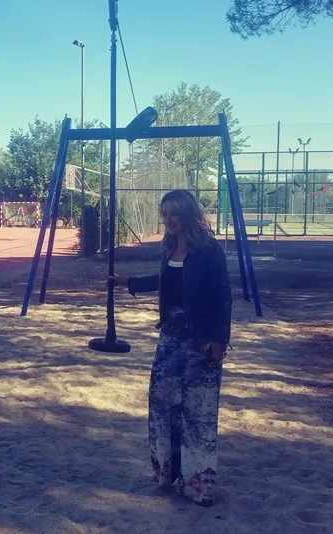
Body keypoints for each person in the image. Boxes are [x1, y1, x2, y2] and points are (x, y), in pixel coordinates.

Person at [109, 189, 233, 507]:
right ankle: (168, 472)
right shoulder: (169, 248)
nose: (168, 220)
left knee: (198, 414)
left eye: (174, 213)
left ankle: (198, 484)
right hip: (170, 341)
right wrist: (129, 283)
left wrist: (219, 339)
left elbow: (223, 296)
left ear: (189, 214)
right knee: (163, 407)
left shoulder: (208, 250)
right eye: (164, 214)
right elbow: (166, 281)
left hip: (201, 341)